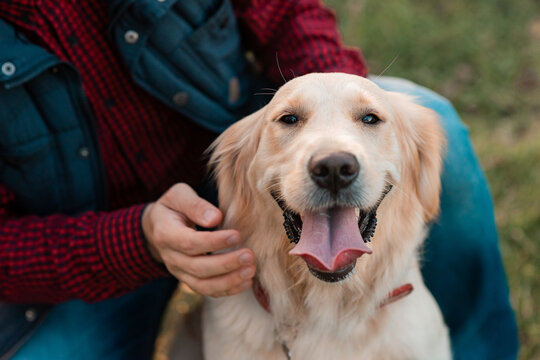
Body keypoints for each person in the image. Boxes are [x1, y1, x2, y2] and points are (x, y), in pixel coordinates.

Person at [0, 0, 518, 359]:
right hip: (89, 238)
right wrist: (133, 242)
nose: (335, 161)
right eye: (291, 119)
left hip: (246, 159)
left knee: (436, 117)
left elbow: (289, 11)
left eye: (369, 122)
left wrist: (328, 99)